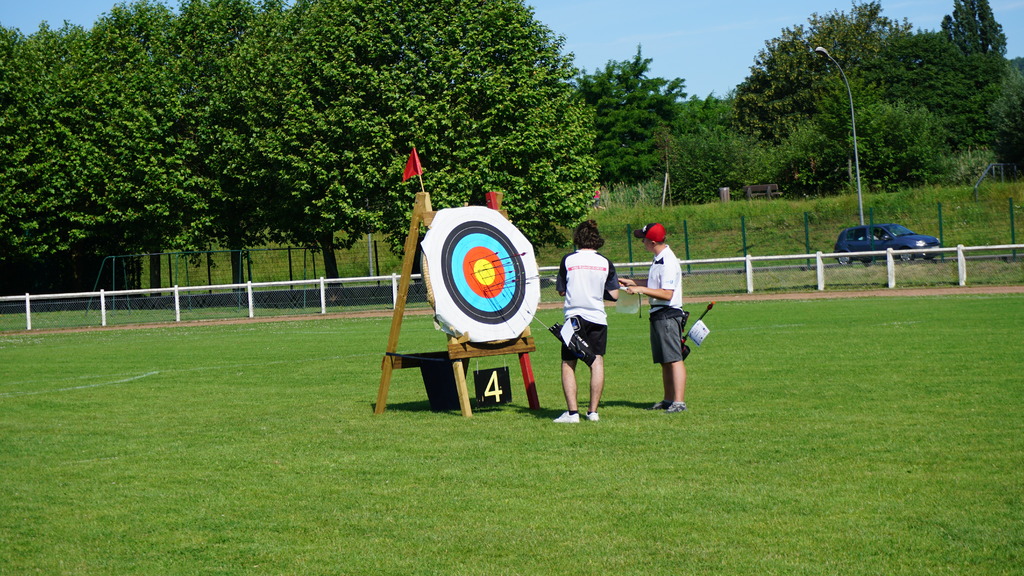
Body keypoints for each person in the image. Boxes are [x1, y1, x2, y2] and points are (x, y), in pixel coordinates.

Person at [552, 220, 619, 423]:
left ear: (577, 238)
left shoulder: (568, 260)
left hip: (574, 318)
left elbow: (562, 290)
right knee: (596, 361)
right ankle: (593, 412)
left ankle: (573, 413)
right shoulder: (605, 262)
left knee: (568, 363)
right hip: (597, 318)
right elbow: (614, 295)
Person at [617, 223, 688, 413]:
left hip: (668, 313)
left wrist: (640, 289)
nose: (642, 243)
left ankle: (679, 402)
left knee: (674, 358)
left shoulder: (667, 261)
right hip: (659, 314)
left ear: (653, 242)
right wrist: (632, 282)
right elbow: (654, 283)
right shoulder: (658, 259)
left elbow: (666, 293)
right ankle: (668, 400)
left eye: (644, 239)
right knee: (665, 359)